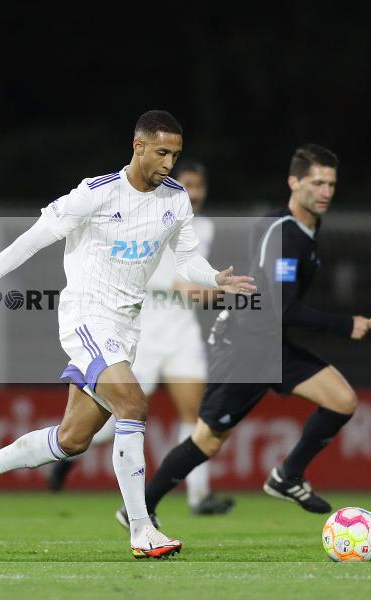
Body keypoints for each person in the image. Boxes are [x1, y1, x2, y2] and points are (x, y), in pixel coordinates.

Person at [0, 110, 256, 559]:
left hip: (127, 327)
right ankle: (142, 528)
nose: (169, 162)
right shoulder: (96, 193)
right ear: (138, 147)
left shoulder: (175, 199)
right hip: (86, 318)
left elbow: (187, 261)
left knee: (72, 439)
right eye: (162, 152)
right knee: (134, 404)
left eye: (176, 154)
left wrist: (215, 278)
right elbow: (33, 238)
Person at [129, 144, 371, 527]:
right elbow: (283, 308)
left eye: (330, 184)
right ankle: (139, 510)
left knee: (343, 401)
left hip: (272, 344)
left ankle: (287, 476)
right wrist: (345, 325)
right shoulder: (281, 232)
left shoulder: (308, 228)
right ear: (294, 182)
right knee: (208, 439)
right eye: (316, 183)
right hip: (244, 347)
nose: (325, 191)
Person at [47, 161, 235, 517]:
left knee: (193, 412)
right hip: (144, 329)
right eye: (188, 184)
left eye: (199, 186)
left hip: (182, 332)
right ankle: (71, 452)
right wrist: (191, 287)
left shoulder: (203, 227)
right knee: (120, 411)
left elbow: (192, 276)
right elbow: (152, 275)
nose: (194, 193)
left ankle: (199, 496)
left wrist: (212, 288)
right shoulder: (148, 214)